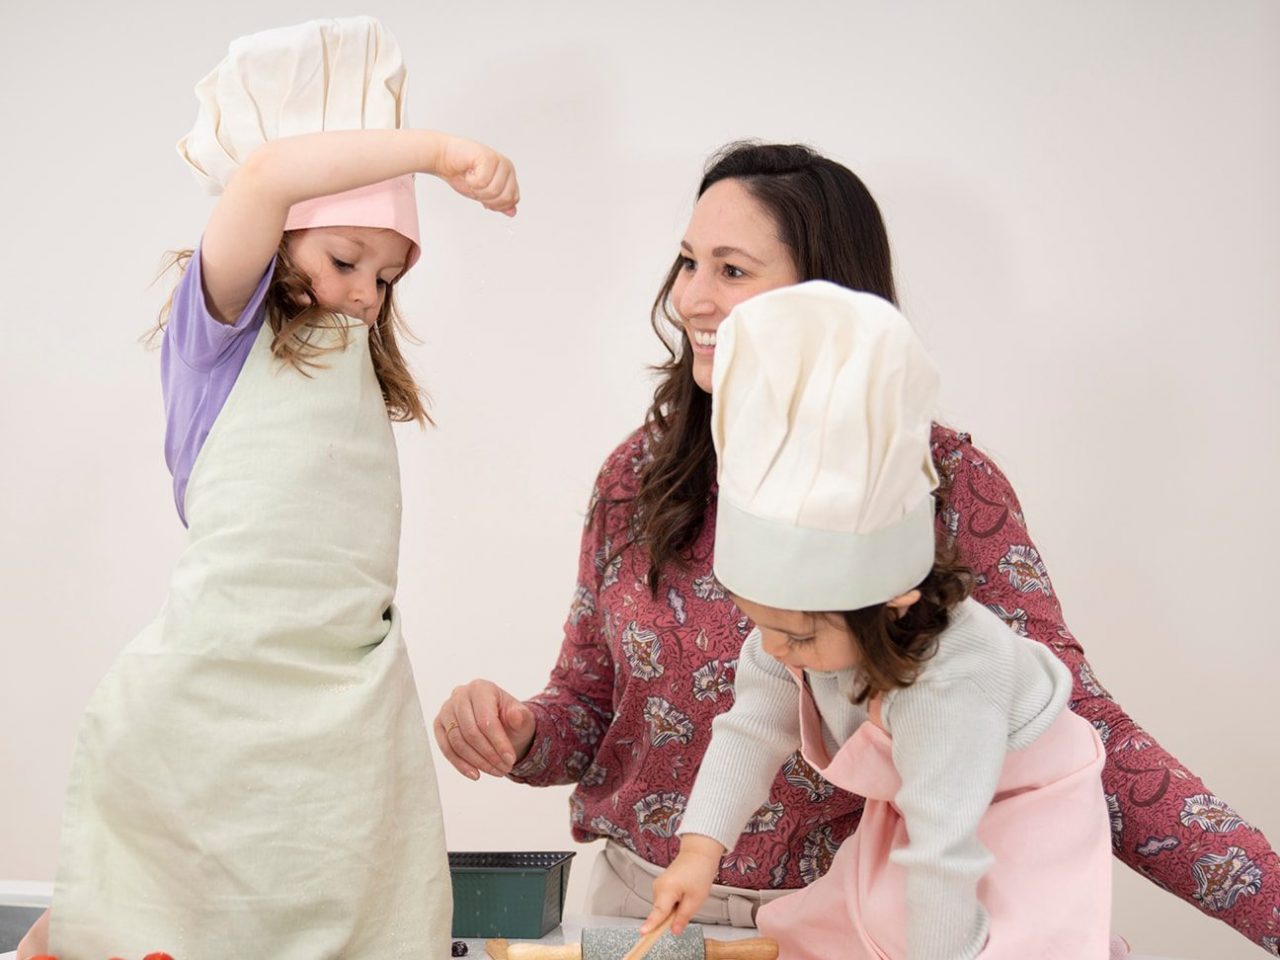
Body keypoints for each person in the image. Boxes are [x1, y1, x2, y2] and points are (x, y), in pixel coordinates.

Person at [435, 141, 1279, 953]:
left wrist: (1268, 899)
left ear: (827, 297)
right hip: (646, 909)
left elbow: (1067, 728)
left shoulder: (936, 481)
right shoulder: (637, 477)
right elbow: (590, 707)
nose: (691, 297)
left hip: (851, 920)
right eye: (688, 262)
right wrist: (521, 734)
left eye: (732, 270)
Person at [18, 17, 519, 960]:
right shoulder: (222, 329)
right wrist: (439, 152)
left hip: (341, 685)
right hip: (223, 672)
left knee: (334, 885)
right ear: (283, 238)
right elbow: (266, 177)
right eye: (344, 260)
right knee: (158, 900)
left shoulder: (352, 364)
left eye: (388, 275)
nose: (366, 294)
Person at [638, 280, 1111, 959]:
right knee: (830, 931)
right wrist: (696, 854)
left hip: (1022, 803)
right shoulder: (795, 634)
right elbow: (749, 729)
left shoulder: (950, 678)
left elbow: (945, 855)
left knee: (974, 939)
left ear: (889, 601)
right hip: (922, 798)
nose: (775, 651)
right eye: (760, 624)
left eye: (797, 635)